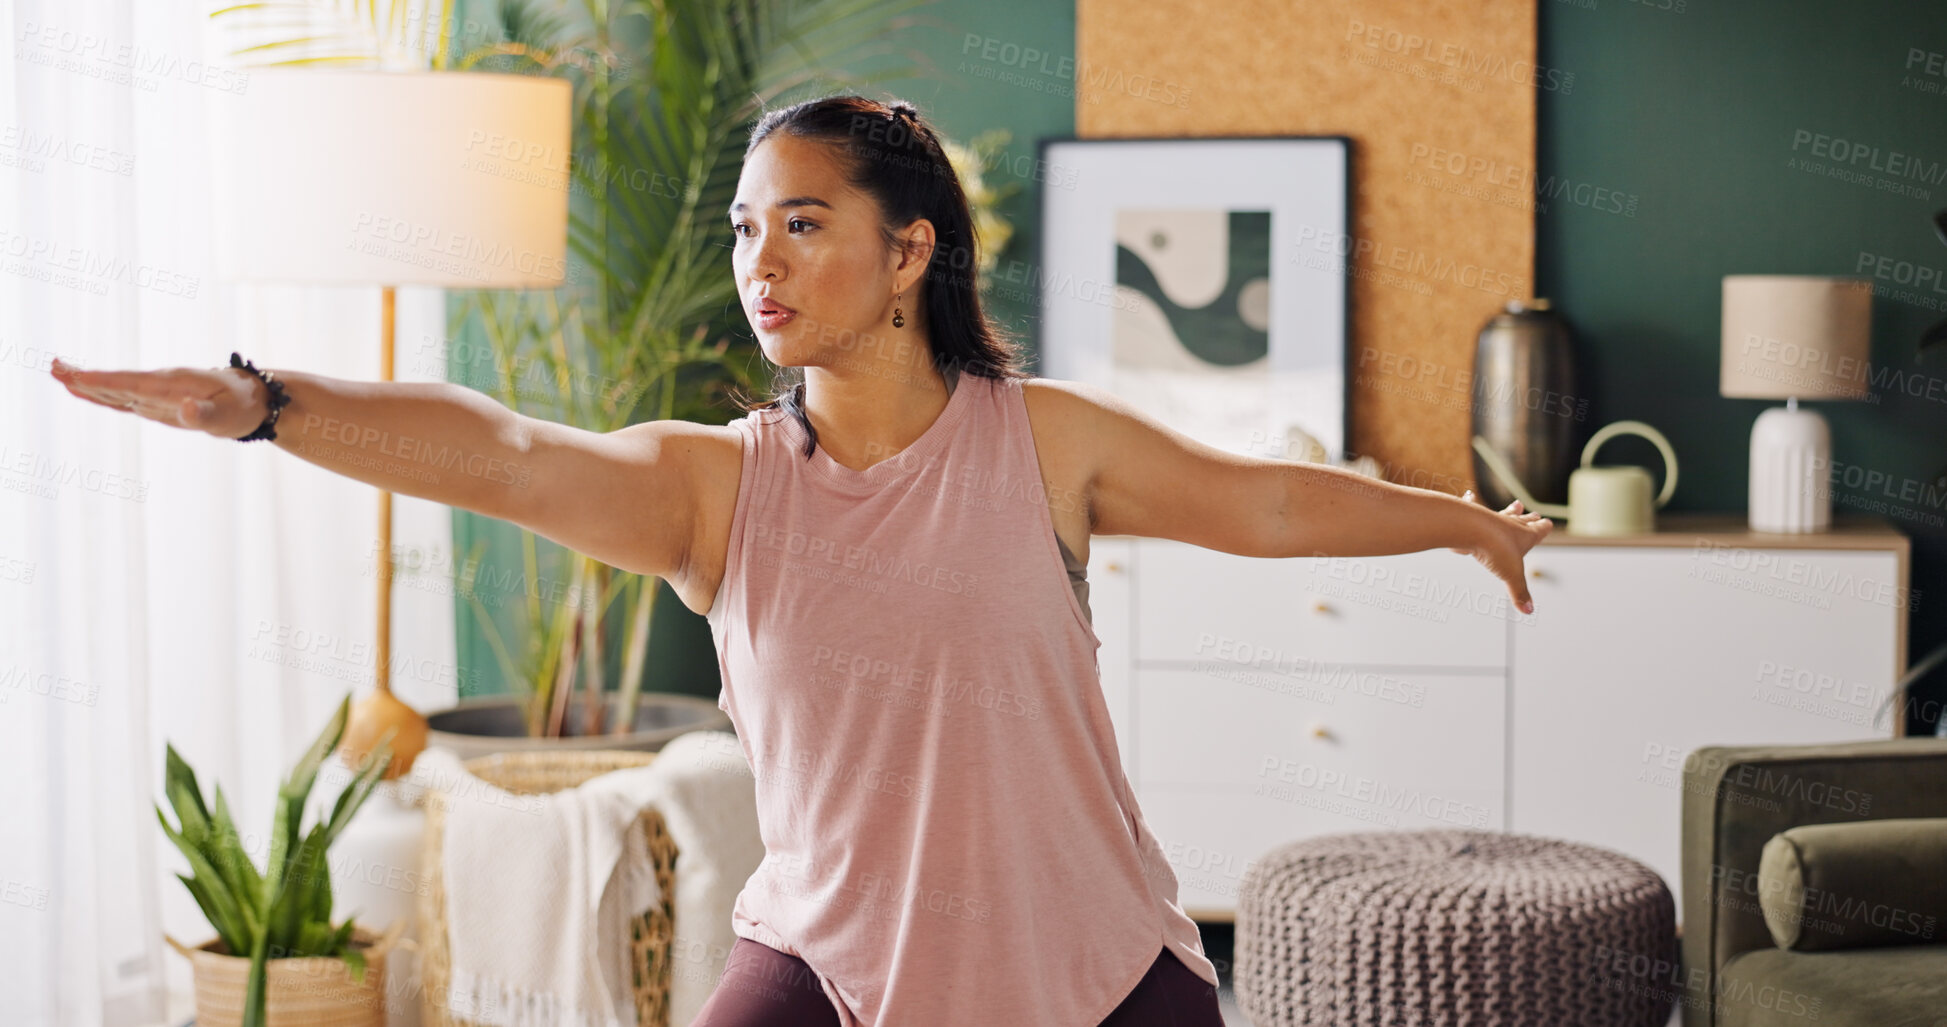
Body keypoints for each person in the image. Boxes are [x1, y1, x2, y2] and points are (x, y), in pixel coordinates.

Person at [50, 93, 1550, 1027]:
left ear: (910, 254)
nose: (757, 263)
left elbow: (1271, 508)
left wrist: (1466, 522)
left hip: (1084, 954)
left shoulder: (1043, 443)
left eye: (805, 224)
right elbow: (504, 454)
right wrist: (268, 410)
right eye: (743, 228)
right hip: (826, 963)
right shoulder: (718, 491)